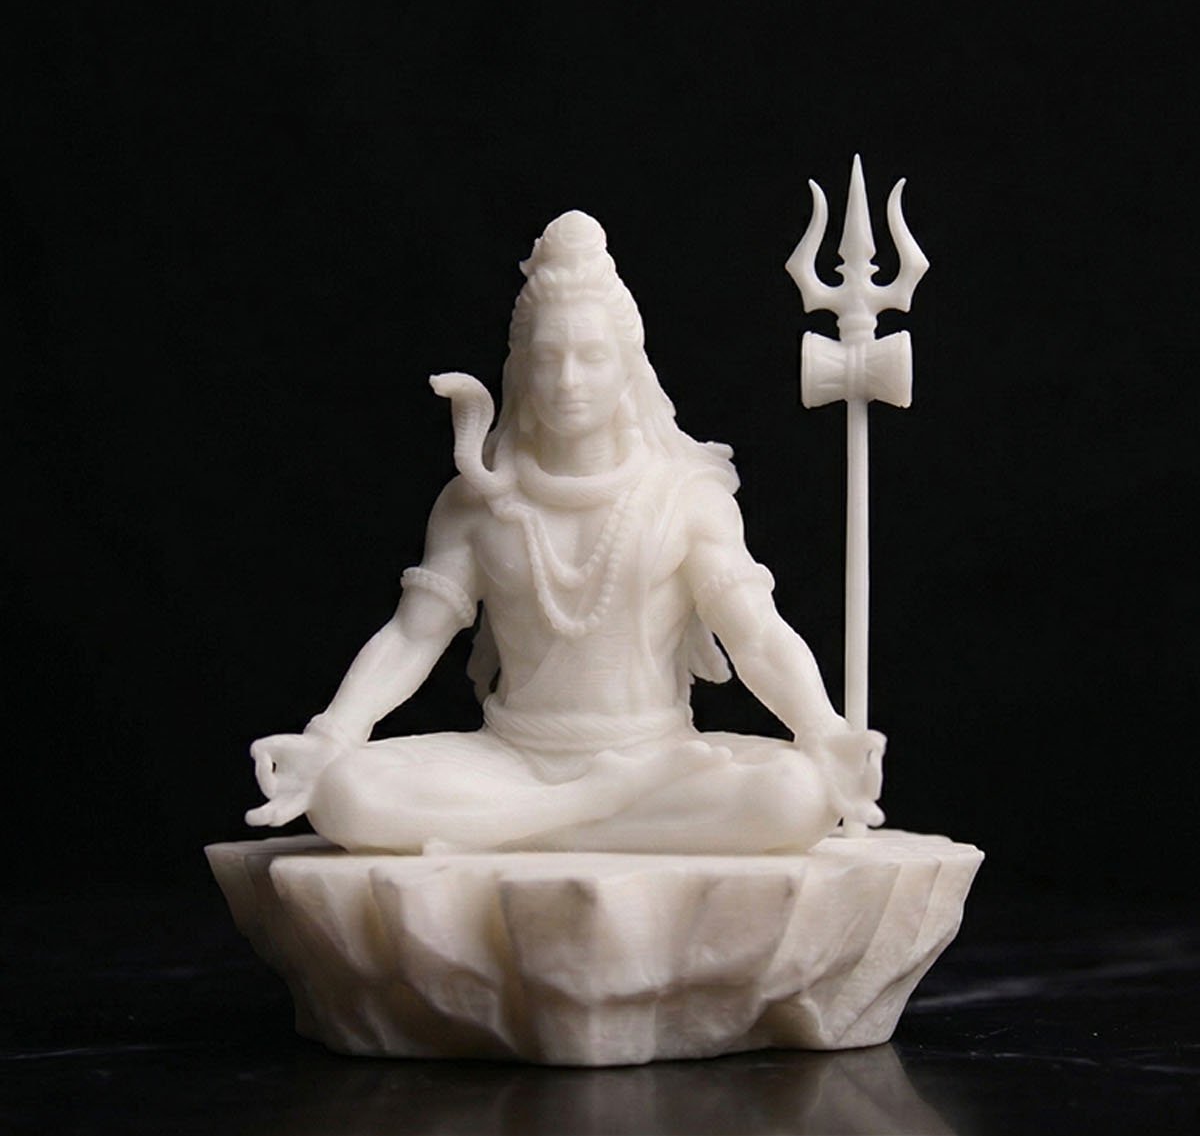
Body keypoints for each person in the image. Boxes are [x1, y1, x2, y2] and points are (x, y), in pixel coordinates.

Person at [247, 211, 884, 854]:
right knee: (346, 793)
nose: (568, 381)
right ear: (519, 369)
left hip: (658, 757)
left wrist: (823, 730)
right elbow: (413, 636)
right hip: (511, 759)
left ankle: (523, 829)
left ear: (629, 367)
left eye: (592, 357)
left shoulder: (686, 496)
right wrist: (331, 736)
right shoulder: (478, 502)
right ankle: (593, 810)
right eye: (547, 359)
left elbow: (757, 636)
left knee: (797, 795)